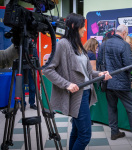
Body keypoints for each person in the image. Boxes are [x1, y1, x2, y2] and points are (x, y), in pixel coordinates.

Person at [42, 13, 112, 150]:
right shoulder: (62, 44)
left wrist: (100, 74)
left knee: (77, 131)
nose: (85, 29)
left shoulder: (79, 46)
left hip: (86, 93)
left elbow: (88, 73)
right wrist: (66, 84)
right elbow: (47, 69)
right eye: (83, 26)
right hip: (76, 96)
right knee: (85, 135)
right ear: (74, 26)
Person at [97, 24, 132, 143]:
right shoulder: (125, 45)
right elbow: (128, 67)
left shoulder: (104, 44)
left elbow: (99, 63)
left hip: (107, 82)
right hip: (121, 83)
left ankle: (114, 132)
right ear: (124, 33)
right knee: (131, 107)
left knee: (111, 107)